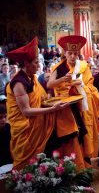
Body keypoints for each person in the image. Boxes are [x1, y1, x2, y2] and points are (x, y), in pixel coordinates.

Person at [6, 37, 69, 170]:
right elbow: (26, 111)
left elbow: (40, 98)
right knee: (27, 166)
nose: (39, 65)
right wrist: (52, 109)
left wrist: (52, 100)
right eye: (35, 62)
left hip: (38, 125)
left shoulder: (32, 77)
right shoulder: (18, 83)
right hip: (26, 129)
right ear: (26, 64)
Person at [47, 35, 99, 165]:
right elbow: (50, 84)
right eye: (70, 53)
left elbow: (91, 87)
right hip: (65, 107)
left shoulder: (83, 66)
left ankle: (84, 163)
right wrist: (63, 80)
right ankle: (71, 164)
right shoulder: (59, 67)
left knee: (82, 133)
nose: (72, 56)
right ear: (65, 53)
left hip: (81, 105)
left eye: (75, 53)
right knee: (70, 137)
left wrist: (80, 85)